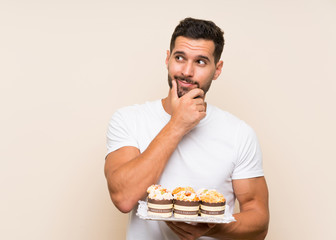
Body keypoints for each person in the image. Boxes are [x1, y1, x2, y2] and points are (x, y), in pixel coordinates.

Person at [104, 17, 269, 240]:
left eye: (201, 62)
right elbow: (123, 198)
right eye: (180, 58)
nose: (187, 71)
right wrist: (177, 125)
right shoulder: (129, 120)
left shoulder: (239, 133)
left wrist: (214, 227)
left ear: (217, 69)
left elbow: (259, 222)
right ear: (167, 59)